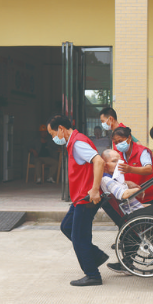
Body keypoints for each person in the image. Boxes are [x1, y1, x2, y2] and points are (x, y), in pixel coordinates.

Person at [47, 114, 109, 287]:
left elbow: (99, 162)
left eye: (53, 134)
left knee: (79, 237)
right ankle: (96, 256)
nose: (53, 138)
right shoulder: (74, 142)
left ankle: (92, 275)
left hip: (86, 197)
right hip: (79, 197)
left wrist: (95, 189)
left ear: (61, 129)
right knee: (66, 226)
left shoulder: (78, 143)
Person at [100, 148, 153, 275]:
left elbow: (123, 188)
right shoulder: (106, 179)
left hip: (138, 211)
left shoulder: (115, 177)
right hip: (135, 213)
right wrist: (136, 190)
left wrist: (130, 184)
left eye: (119, 160)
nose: (119, 164)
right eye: (114, 161)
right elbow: (123, 194)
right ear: (105, 165)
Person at [112, 126, 153, 204]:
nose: (118, 145)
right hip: (135, 196)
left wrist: (130, 169)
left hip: (152, 194)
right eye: (116, 143)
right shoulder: (120, 155)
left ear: (129, 138)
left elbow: (149, 169)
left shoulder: (142, 152)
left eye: (120, 141)